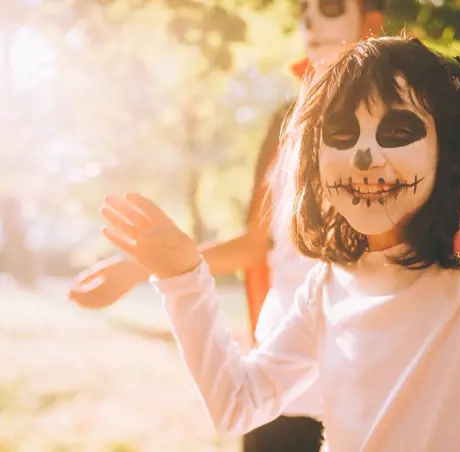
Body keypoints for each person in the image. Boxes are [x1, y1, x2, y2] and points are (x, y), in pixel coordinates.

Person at [93, 0, 460, 450]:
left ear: (446, 149)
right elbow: (237, 403)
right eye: (342, 138)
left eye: (397, 131)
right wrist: (182, 277)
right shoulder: (326, 287)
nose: (366, 159)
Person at [70, 2, 385, 450]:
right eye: (304, 10)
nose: (311, 21)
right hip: (281, 371)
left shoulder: (408, 120)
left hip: (367, 377)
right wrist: (143, 268)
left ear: (371, 20)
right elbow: (260, 243)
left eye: (330, 6)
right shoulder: (286, 121)